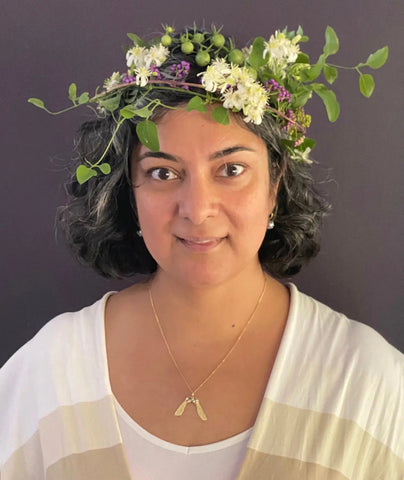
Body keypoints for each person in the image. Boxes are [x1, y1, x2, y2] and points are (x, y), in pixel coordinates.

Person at [1, 25, 403, 480]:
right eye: (163, 173)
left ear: (275, 186)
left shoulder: (368, 382)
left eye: (231, 169)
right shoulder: (51, 372)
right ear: (128, 193)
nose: (197, 210)